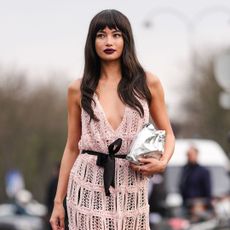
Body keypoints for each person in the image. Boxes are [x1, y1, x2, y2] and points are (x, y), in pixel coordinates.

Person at [50, 9, 175, 230]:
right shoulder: (77, 89)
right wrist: (58, 202)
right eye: (101, 35)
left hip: (132, 186)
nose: (109, 41)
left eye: (116, 34)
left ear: (126, 39)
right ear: (92, 41)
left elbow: (168, 133)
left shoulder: (148, 83)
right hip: (87, 185)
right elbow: (71, 147)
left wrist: (162, 162)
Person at [179, 146, 212, 218]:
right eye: (188, 155)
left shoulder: (203, 171)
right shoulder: (185, 170)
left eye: (191, 154)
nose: (189, 157)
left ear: (196, 155)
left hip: (199, 206)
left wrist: (205, 204)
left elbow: (208, 191)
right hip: (186, 205)